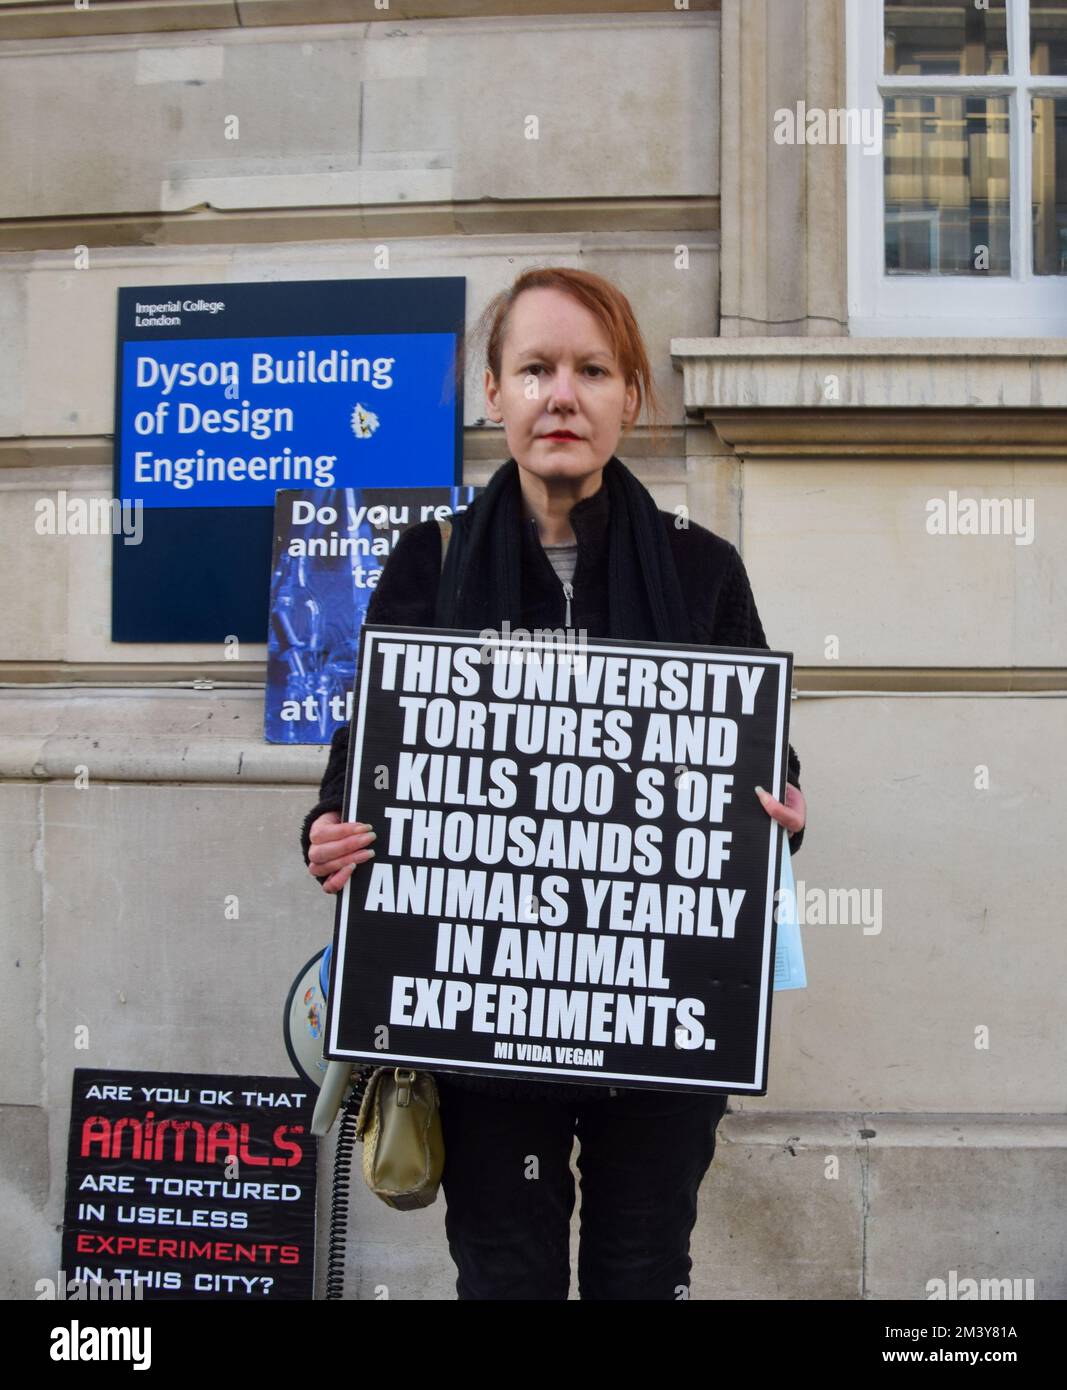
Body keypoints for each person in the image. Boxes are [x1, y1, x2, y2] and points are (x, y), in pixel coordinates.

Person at [299, 267, 808, 1300]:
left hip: (659, 1014)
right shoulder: (429, 563)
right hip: (484, 1018)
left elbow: (762, 757)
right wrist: (326, 827)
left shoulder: (700, 566)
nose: (560, 394)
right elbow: (366, 756)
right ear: (494, 394)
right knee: (505, 1270)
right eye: (533, 368)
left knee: (641, 1267)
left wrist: (779, 819)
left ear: (631, 396)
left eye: (590, 369)